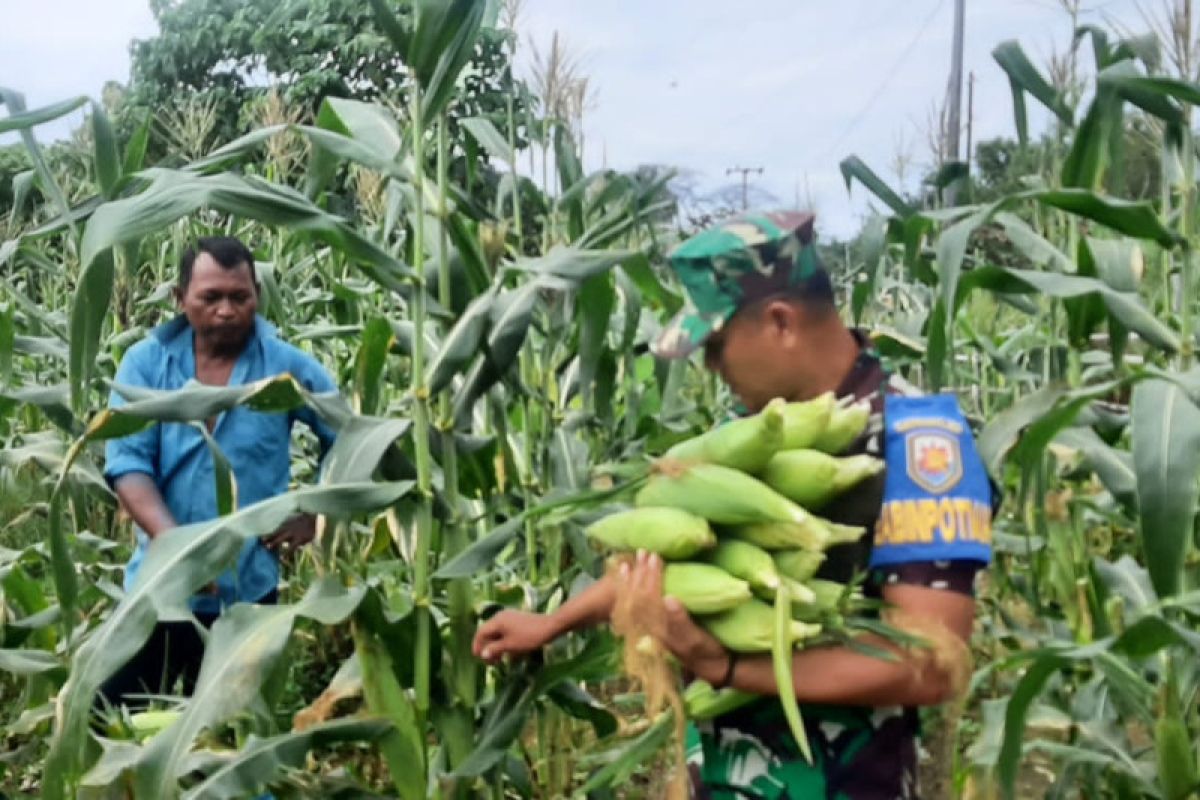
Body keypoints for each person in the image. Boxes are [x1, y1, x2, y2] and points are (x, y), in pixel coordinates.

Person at [472, 211, 996, 799]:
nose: (711, 368)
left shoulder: (916, 442)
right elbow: (670, 561)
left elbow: (929, 664)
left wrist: (726, 667)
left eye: (717, 347)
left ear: (780, 322)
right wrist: (554, 623)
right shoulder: (749, 432)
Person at [98, 235, 339, 711]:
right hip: (159, 590)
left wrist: (315, 512)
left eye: (239, 296)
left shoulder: (286, 369)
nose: (226, 310)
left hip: (247, 598)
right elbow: (128, 465)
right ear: (180, 299)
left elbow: (351, 436)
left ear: (257, 297)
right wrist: (182, 552)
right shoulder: (146, 364)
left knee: (236, 736)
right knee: (110, 717)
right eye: (211, 297)